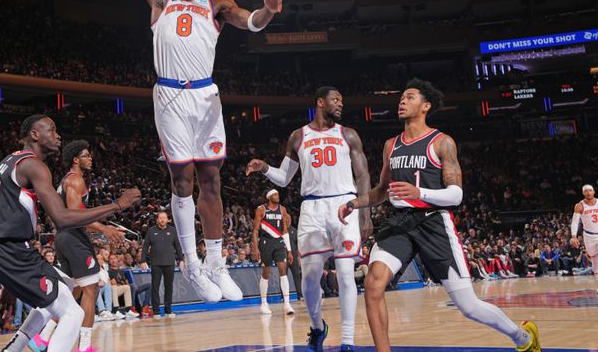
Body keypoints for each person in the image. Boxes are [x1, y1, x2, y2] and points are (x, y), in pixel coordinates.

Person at [338, 79, 541, 352]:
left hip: (433, 222)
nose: (402, 101)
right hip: (399, 222)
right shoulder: (391, 145)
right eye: (401, 98)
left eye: (409, 97)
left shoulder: (442, 142)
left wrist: (418, 192)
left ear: (425, 106)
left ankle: (522, 337)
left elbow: (456, 195)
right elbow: (382, 191)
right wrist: (355, 203)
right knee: (374, 284)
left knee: (468, 306)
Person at [137, 0, 282, 302]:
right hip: (170, 95)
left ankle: (216, 262)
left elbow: (251, 22)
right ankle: (193, 263)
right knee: (182, 177)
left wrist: (267, 11)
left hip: (205, 97)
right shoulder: (162, 2)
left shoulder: (215, 6)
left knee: (211, 180)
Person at [0, 114, 141, 352]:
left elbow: (4, 214)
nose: (57, 135)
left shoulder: (10, 160)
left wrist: (12, 285)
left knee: (55, 298)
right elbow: (62, 217)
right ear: (34, 135)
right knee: (72, 313)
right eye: (51, 130)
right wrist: (117, 205)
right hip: (8, 248)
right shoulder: (33, 165)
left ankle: (13, 348)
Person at [247, 86, 372, 351]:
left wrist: (366, 213)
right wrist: (264, 168)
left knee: (346, 272)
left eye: (342, 100)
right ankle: (317, 327)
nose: (340, 104)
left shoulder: (348, 134)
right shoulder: (298, 136)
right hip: (313, 209)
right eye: (335, 99)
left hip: (345, 204)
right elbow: (284, 178)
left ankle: (348, 341)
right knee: (310, 276)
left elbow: (362, 176)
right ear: (320, 102)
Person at [54, 140, 126, 352]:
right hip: (73, 237)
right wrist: (104, 229)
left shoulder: (66, 180)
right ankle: (84, 346)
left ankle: (43, 337)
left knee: (73, 290)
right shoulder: (75, 180)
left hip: (63, 238)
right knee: (91, 290)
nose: (90, 158)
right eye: (86, 155)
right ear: (76, 160)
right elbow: (76, 216)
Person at [251, 189, 294, 315]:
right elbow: (255, 230)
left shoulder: (282, 210)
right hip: (265, 242)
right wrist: (256, 248)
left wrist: (289, 250)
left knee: (283, 271)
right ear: (269, 197)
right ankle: (264, 303)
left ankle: (287, 303)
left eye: (278, 194)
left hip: (279, 242)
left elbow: (285, 231)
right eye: (275, 194)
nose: (277, 196)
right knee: (266, 272)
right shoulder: (261, 209)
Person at [142, 211, 183, 317]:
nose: (162, 220)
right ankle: (156, 311)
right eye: (160, 218)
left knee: (168, 287)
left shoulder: (173, 230)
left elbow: (178, 246)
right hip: (156, 263)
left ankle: (168, 309)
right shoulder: (151, 231)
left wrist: (181, 259)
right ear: (157, 220)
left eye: (164, 218)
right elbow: (145, 246)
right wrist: (142, 261)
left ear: (168, 219)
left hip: (169, 263)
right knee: (155, 287)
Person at [571, 184, 598, 284]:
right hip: (589, 235)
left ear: (594, 192)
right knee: (595, 259)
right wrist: (574, 236)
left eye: (590, 190)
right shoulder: (579, 206)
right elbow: (575, 222)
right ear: (583, 193)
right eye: (586, 191)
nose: (588, 192)